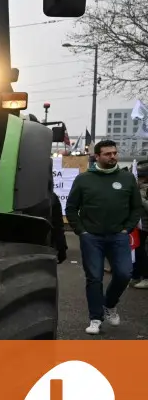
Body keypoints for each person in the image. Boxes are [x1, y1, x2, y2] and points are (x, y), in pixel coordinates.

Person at [66, 140, 142, 335]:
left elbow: (136, 208)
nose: (112, 156)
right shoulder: (84, 179)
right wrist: (81, 231)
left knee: (124, 274)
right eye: (108, 154)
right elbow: (71, 208)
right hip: (91, 237)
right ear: (97, 156)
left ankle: (109, 304)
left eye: (114, 153)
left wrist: (127, 229)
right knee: (94, 278)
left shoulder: (127, 178)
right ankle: (95, 318)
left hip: (119, 236)